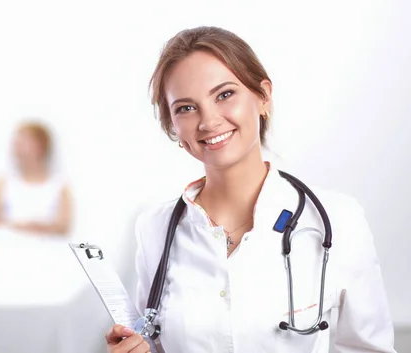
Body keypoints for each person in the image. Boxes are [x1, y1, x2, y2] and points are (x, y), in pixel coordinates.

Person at [105, 27, 396, 353]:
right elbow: (156, 342)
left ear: (263, 96)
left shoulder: (338, 219)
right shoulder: (155, 229)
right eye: (186, 108)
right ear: (172, 126)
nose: (208, 121)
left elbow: (368, 349)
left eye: (225, 95)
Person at [0, 121, 72, 236]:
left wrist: (38, 228)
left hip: (48, 246)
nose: (17, 147)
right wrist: (17, 227)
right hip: (7, 243)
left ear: (41, 147)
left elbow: (63, 227)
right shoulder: (4, 182)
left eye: (24, 142)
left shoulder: (59, 185)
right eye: (16, 142)